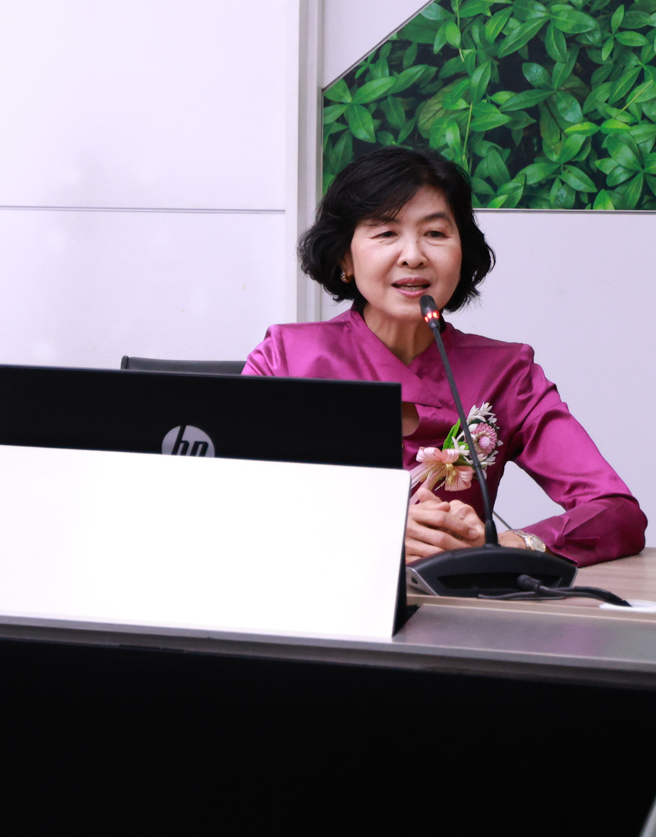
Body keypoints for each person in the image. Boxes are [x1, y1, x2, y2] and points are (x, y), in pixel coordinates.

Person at [245, 145, 644, 566]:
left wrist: (506, 545)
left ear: (461, 253)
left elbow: (617, 513)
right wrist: (371, 531)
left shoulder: (507, 373)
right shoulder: (286, 358)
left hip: (457, 600)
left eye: (435, 233)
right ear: (345, 256)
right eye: (386, 233)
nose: (413, 255)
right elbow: (228, 500)